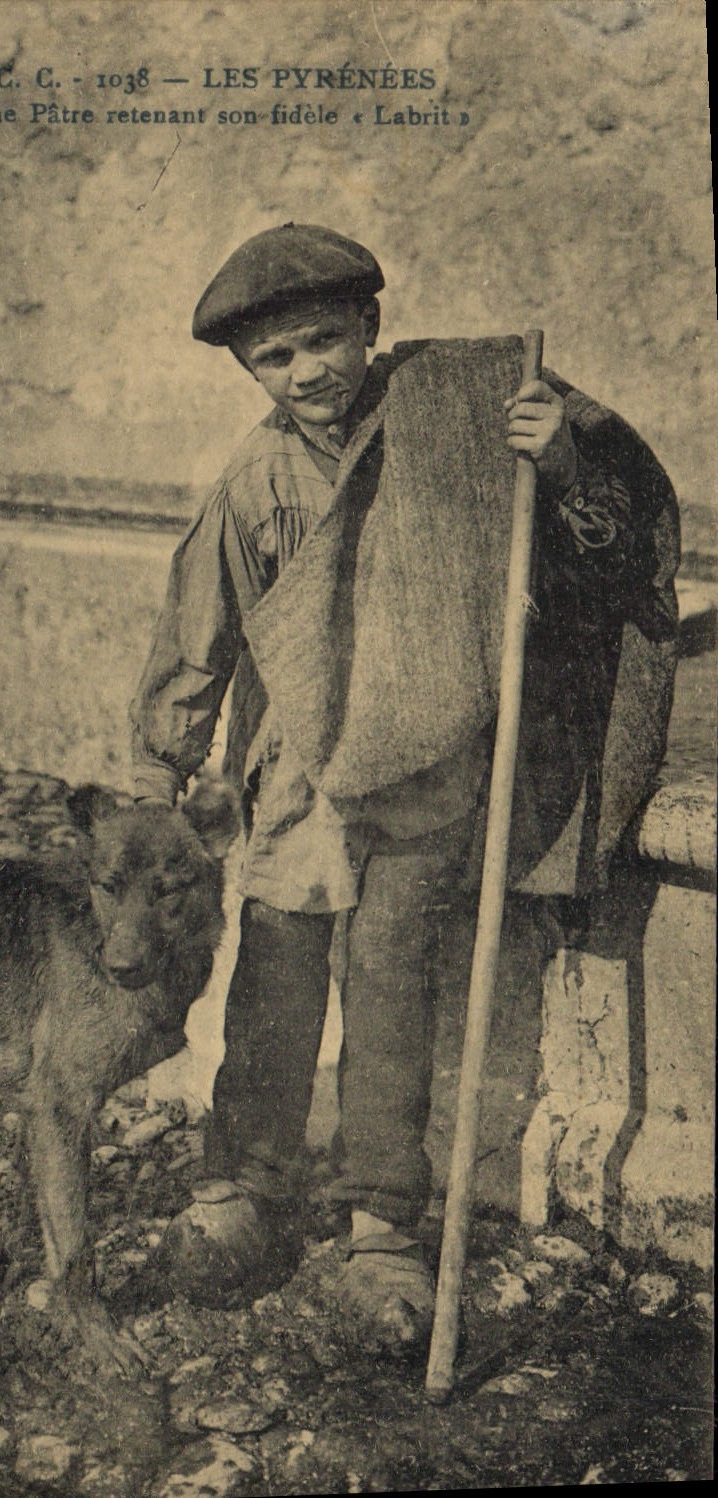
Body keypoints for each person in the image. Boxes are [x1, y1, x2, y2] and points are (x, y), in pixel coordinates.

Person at [128, 224, 678, 1353]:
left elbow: (612, 552)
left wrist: (562, 462)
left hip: (429, 769)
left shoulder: (459, 429)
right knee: (274, 984)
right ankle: (245, 1189)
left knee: (390, 988)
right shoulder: (254, 482)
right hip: (297, 784)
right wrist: (163, 762)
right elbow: (201, 629)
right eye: (275, 359)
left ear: (370, 328)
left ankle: (380, 1222)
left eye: (325, 341)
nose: (308, 372)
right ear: (250, 373)